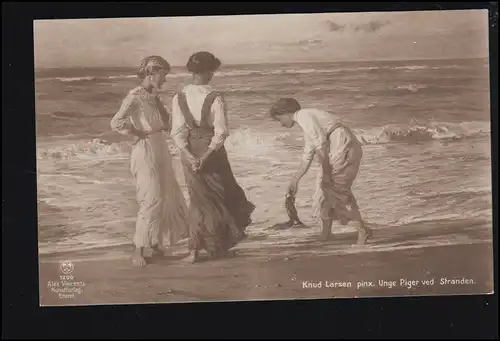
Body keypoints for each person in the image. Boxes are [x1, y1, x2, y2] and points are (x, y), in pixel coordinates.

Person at [170, 51, 255, 263]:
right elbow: (221, 133)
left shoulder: (178, 97)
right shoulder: (215, 97)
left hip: (189, 151)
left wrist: (190, 157)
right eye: (212, 71)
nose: (212, 75)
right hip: (212, 152)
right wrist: (206, 156)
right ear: (208, 71)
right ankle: (218, 248)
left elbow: (177, 133)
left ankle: (195, 251)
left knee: (198, 200)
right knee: (219, 197)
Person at [110, 55, 189, 267]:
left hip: (160, 147)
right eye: (162, 76)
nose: (164, 81)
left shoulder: (153, 97)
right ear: (151, 73)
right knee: (150, 198)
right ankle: (138, 249)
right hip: (145, 150)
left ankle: (154, 245)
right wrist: (135, 132)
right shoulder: (134, 96)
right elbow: (116, 122)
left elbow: (166, 124)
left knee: (165, 196)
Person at [269, 98, 372, 245]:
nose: (281, 124)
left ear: (286, 112)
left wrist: (326, 174)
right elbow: (308, 154)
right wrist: (295, 180)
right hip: (338, 145)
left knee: (336, 190)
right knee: (323, 191)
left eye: (280, 119)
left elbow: (321, 147)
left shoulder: (303, 116)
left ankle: (362, 229)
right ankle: (326, 232)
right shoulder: (306, 121)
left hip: (342, 145)